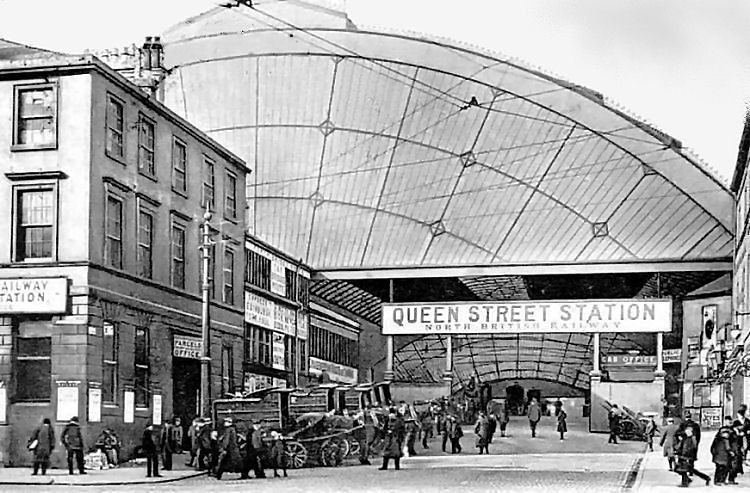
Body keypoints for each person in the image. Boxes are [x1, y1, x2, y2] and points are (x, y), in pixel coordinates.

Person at [710, 417, 734, 486]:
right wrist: (730, 451)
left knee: (720, 467)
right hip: (723, 453)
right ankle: (720, 481)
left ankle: (718, 481)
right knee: (723, 467)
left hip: (718, 452)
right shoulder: (726, 432)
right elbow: (727, 443)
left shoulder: (720, 432)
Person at [729, 420, 744, 484]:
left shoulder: (738, 432)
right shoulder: (732, 432)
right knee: (733, 466)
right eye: (740, 426)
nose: (741, 427)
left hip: (738, 450)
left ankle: (732, 479)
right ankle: (731, 479)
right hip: (734, 451)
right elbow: (734, 442)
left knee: (736, 465)